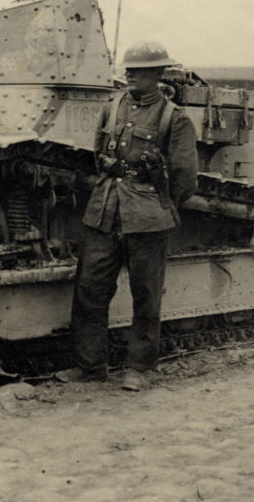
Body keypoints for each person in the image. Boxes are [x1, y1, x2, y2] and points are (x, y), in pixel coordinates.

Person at [63, 41, 198, 391]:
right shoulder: (111, 108)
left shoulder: (174, 118)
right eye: (128, 70)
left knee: (146, 295)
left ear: (157, 75)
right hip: (105, 209)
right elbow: (98, 154)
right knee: (90, 290)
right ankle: (90, 366)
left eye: (138, 71)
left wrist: (158, 202)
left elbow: (185, 177)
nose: (130, 76)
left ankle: (138, 367)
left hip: (148, 216)